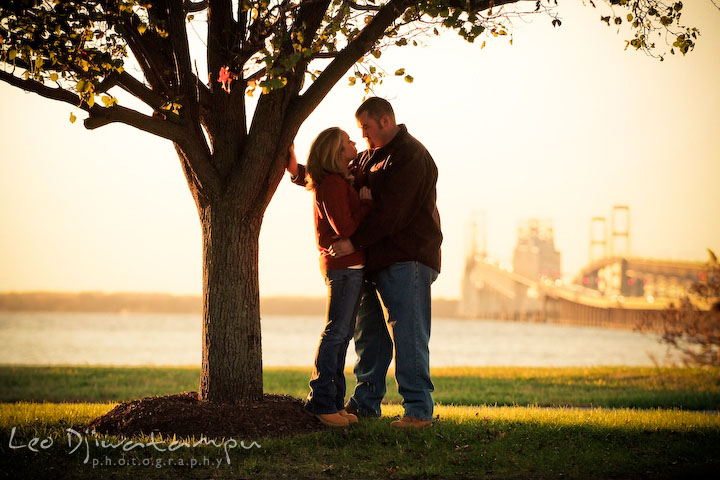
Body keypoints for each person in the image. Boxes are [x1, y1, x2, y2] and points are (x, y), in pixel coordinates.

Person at [287, 98, 442, 429]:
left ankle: (418, 411)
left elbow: (393, 214)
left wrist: (352, 242)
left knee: (409, 334)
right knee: (369, 336)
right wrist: (297, 172)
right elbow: (333, 179)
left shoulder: (411, 156)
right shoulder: (369, 157)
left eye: (365, 128)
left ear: (385, 121)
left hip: (408, 257)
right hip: (371, 260)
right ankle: (366, 403)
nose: (362, 137)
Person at [299, 127, 373, 428]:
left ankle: (334, 403)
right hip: (344, 267)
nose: (354, 142)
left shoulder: (338, 180)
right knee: (336, 333)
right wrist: (367, 205)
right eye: (347, 141)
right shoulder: (330, 183)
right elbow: (344, 228)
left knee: (343, 336)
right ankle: (321, 402)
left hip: (349, 267)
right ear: (336, 152)